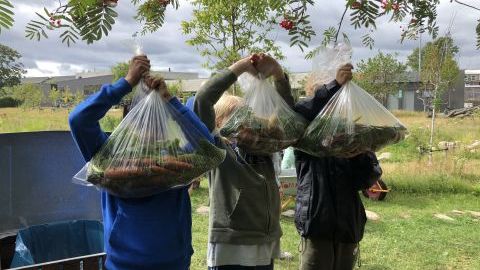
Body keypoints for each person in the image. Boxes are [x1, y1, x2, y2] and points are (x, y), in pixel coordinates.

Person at [69, 55, 214, 270]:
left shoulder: (177, 156)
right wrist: (126, 83)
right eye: (142, 119)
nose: (151, 126)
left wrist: (170, 101)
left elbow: (208, 148)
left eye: (160, 118)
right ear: (128, 121)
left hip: (174, 262)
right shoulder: (108, 153)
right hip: (123, 264)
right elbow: (79, 119)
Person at [192, 54, 294, 269]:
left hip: (264, 242)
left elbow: (287, 118)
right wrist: (239, 68)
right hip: (231, 246)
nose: (246, 122)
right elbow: (203, 99)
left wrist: (278, 75)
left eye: (247, 116)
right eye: (235, 116)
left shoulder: (264, 149)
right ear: (218, 122)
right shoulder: (217, 150)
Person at [293, 65, 383, 270]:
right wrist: (333, 87)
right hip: (317, 225)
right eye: (327, 97)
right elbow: (303, 110)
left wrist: (361, 154)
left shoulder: (351, 134)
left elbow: (367, 179)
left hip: (348, 226)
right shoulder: (304, 135)